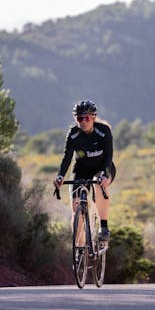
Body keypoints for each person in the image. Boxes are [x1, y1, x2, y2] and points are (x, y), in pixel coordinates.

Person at [53, 99, 116, 241]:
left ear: (93, 117)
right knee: (76, 210)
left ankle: (104, 227)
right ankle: (79, 252)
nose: (83, 122)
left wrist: (105, 175)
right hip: (81, 169)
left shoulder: (103, 131)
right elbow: (67, 157)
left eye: (86, 118)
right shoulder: (73, 134)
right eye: (79, 118)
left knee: (98, 183)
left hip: (102, 167)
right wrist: (60, 176)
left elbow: (108, 155)